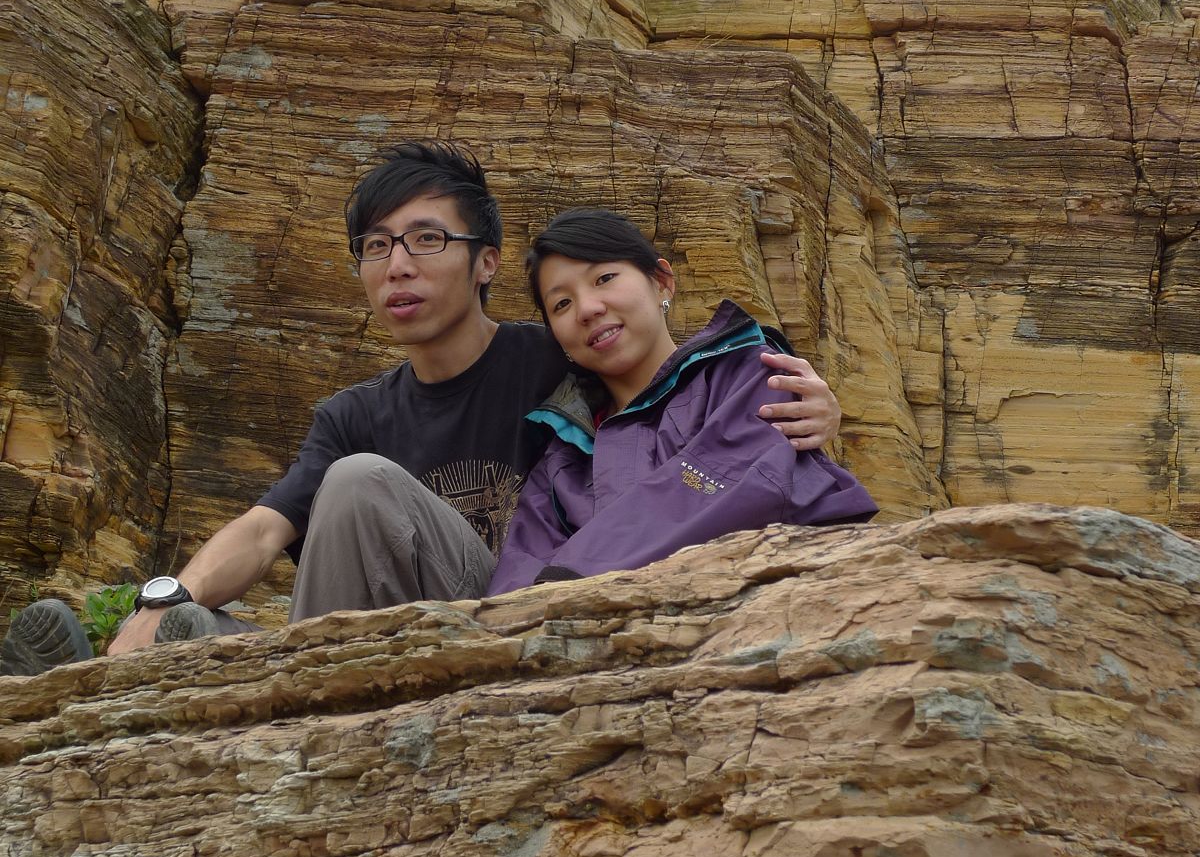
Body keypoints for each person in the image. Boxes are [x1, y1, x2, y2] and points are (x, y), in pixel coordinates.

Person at [1, 144, 844, 674]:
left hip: (505, 610)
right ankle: (109, 677)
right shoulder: (354, 413)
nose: (398, 265)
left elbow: (666, 391)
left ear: (487, 263)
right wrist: (156, 602)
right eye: (376, 247)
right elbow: (261, 531)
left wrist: (811, 414)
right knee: (196, 618)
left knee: (360, 484)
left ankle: (231, 680)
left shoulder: (559, 358)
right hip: (399, 632)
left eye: (427, 239)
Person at [489, 209, 876, 593]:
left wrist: (573, 579)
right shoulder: (565, 456)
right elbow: (520, 571)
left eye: (604, 278)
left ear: (662, 282)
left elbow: (737, 487)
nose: (588, 309)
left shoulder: (747, 373)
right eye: (562, 304)